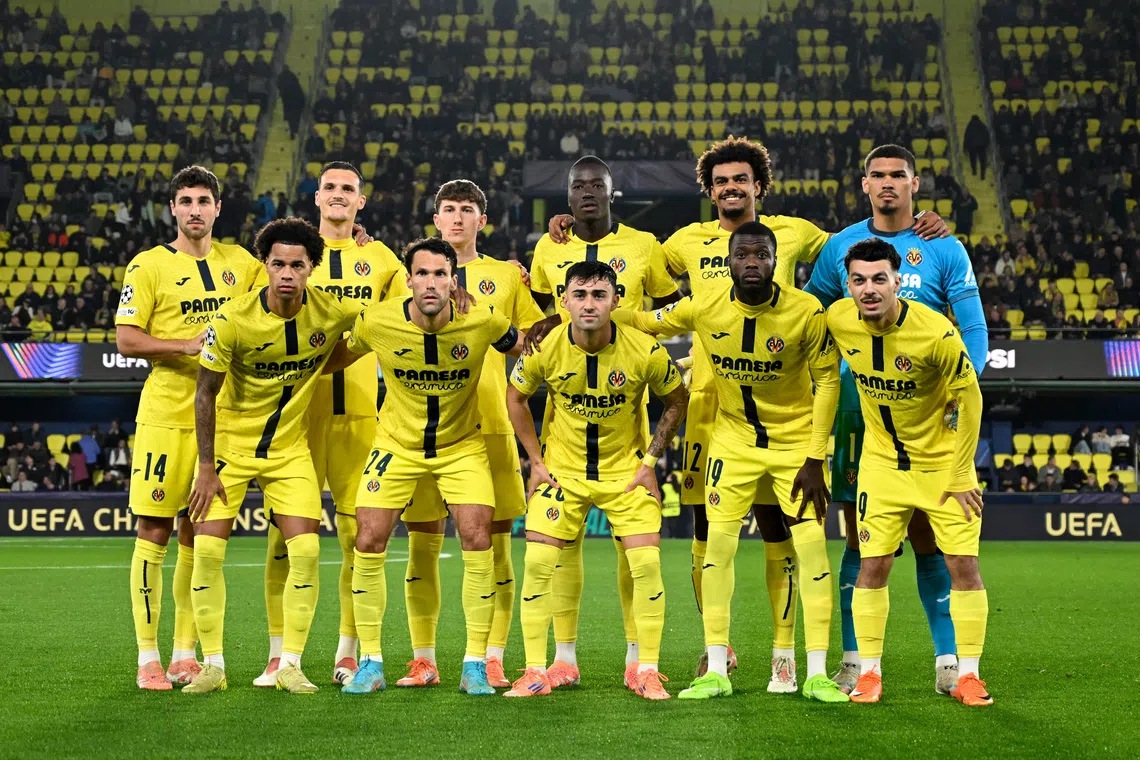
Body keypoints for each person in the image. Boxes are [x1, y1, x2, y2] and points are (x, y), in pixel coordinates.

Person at [621, 136, 948, 684]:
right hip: (711, 405)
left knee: (782, 529)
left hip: (786, 409)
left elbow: (860, 245)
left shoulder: (795, 233)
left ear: (759, 186)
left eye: (740, 180)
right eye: (721, 181)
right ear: (709, 190)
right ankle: (717, 653)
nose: (731, 188)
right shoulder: (684, 242)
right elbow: (628, 267)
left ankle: (788, 658)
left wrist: (916, 225)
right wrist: (568, 265)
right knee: (706, 529)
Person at [612, 222, 845, 703]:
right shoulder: (704, 304)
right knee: (717, 550)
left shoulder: (807, 311)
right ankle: (716, 669)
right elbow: (646, 320)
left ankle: (813, 671)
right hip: (732, 442)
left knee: (812, 551)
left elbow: (828, 382)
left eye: (762, 254)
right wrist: (567, 316)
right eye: (743, 254)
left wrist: (814, 456)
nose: (752, 262)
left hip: (794, 445)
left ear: (777, 260)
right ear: (730, 261)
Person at [805, 144, 988, 696]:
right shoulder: (841, 247)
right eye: (878, 175)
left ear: (915, 183)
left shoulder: (942, 245)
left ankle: (951, 663)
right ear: (864, 184)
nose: (888, 183)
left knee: (933, 542)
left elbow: (973, 331)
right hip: (859, 414)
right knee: (862, 545)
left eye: (898, 175)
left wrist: (956, 395)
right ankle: (856, 662)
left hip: (931, 415)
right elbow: (807, 317)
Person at [324, 237, 526, 697]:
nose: (430, 282)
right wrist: (288, 366)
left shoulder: (484, 319)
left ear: (453, 281)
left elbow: (527, 348)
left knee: (478, 537)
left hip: (461, 445)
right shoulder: (378, 321)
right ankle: (371, 662)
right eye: (422, 273)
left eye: (440, 274)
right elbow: (340, 356)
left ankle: (475, 664)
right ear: (408, 279)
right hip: (396, 446)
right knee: (367, 539)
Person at [185, 217, 360, 695]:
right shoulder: (231, 319)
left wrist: (454, 293)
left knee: (306, 551)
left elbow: (390, 316)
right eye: (278, 263)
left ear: (311, 268)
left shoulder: (331, 311)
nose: (287, 273)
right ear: (265, 264)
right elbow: (204, 393)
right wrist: (205, 466)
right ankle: (213, 666)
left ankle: (290, 665)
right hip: (230, 450)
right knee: (207, 551)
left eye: (297, 265)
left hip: (288, 451)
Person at [527, 156, 682, 689]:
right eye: (579, 186)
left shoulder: (643, 245)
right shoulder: (549, 247)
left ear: (612, 193)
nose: (588, 193)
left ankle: (638, 660)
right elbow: (541, 318)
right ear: (567, 196)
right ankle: (562, 659)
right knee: (561, 545)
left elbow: (669, 310)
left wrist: (638, 342)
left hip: (626, 409)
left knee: (630, 548)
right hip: (566, 415)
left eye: (598, 185)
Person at [503, 260, 689, 700]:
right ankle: (540, 669)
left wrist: (650, 461)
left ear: (615, 301)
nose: (589, 304)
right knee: (538, 564)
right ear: (564, 301)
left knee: (646, 565)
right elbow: (515, 397)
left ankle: (644, 668)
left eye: (599, 295)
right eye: (580, 295)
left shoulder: (644, 349)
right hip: (563, 473)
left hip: (626, 473)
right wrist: (535, 461)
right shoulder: (543, 347)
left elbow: (678, 401)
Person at [256, 162, 409, 690]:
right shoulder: (293, 255)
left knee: (354, 539)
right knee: (282, 540)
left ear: (361, 201)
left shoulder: (382, 259)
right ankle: (278, 654)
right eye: (330, 188)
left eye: (348, 189)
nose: (339, 195)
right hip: (295, 420)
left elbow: (418, 303)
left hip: (361, 417)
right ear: (316, 197)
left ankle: (348, 651)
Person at [115, 166, 264, 691]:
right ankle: (148, 658)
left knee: (196, 536)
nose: (195, 209)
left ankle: (184, 653)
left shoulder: (241, 263)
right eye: (186, 201)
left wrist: (348, 240)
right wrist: (185, 345)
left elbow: (288, 281)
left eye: (204, 201)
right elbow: (127, 339)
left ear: (218, 208)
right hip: (166, 417)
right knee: (154, 531)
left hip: (223, 422)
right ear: (173, 209)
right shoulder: (148, 265)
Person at [393, 180, 545, 691]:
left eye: (467, 209)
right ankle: (423, 659)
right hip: (421, 429)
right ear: (436, 219)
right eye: (449, 209)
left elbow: (530, 340)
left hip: (490, 425)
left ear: (483, 220)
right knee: (422, 545)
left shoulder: (505, 275)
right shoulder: (408, 273)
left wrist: (484, 313)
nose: (457, 217)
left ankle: (492, 657)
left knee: (495, 549)